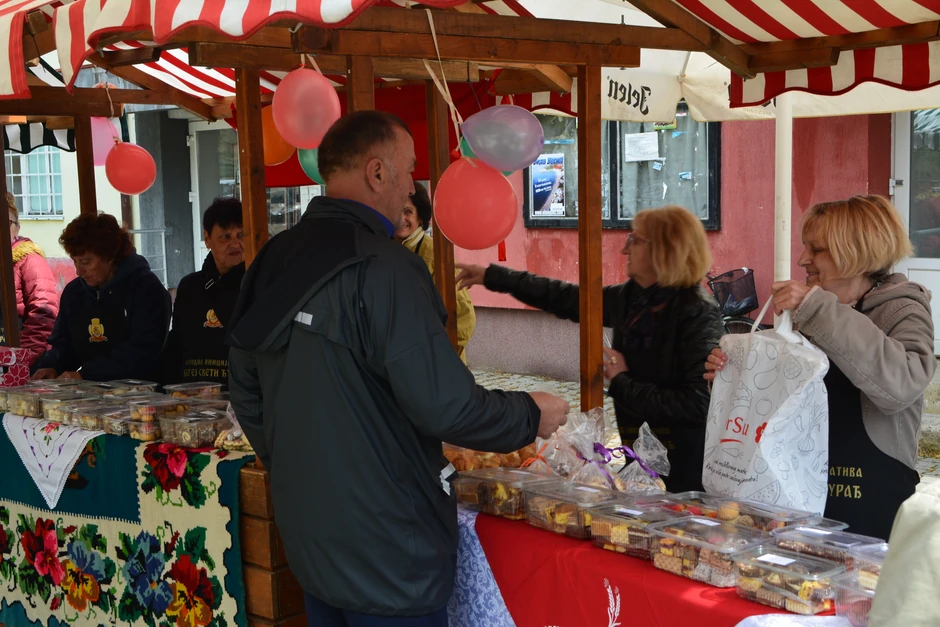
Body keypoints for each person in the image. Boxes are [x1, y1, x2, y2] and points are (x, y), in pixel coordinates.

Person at [226, 110, 570, 626]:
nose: (412, 187)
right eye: (408, 170)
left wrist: (299, 470)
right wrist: (529, 414)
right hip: (390, 551)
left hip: (311, 536)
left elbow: (245, 390)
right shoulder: (386, 268)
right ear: (377, 173)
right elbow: (446, 404)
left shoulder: (274, 258)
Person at [705, 195, 934, 540]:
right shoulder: (811, 309)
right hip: (798, 492)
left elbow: (901, 385)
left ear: (855, 251)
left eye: (817, 250)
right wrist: (733, 379)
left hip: (868, 503)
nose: (802, 260)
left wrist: (817, 309)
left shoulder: (902, 309)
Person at [457, 205, 724, 493]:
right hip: (639, 463)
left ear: (664, 250)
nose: (625, 250)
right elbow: (566, 297)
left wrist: (621, 380)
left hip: (686, 474)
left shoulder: (697, 313)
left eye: (635, 240)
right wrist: (493, 277)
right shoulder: (634, 298)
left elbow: (696, 405)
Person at [32, 213, 171, 382]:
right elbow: (65, 345)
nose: (78, 271)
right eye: (74, 262)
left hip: (143, 394)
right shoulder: (74, 293)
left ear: (110, 257)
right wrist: (52, 366)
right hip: (89, 397)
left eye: (86, 262)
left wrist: (86, 374)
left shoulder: (146, 289)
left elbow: (142, 351)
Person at [161, 198, 245, 385]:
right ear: (207, 239)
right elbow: (177, 344)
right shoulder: (190, 286)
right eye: (225, 237)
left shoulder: (257, 284)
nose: (235, 244)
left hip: (238, 395)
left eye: (241, 235)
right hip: (190, 394)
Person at [395, 183, 476, 362]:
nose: (401, 218)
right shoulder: (389, 250)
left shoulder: (434, 255)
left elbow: (463, 315)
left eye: (408, 211)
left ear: (421, 218)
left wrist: (443, 357)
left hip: (437, 361)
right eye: (397, 210)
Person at [0, 193, 58, 365]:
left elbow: (43, 314)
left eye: (6, 222)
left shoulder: (29, 259)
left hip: (20, 361)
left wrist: (22, 359)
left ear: (17, 228)